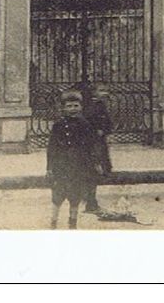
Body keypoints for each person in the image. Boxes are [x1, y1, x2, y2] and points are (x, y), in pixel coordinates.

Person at [46, 89, 101, 229]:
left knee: (75, 196)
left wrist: (96, 163)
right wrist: (50, 167)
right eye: (69, 106)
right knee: (58, 195)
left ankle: (73, 222)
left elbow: (91, 145)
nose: (72, 109)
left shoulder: (85, 125)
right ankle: (53, 221)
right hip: (61, 166)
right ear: (63, 108)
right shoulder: (58, 125)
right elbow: (52, 148)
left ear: (81, 107)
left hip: (79, 166)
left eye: (76, 105)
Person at [83, 84, 113, 213]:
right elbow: (86, 124)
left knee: (95, 172)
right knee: (93, 171)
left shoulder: (101, 106)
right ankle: (91, 202)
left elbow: (109, 124)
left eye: (106, 90)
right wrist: (98, 131)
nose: (105, 93)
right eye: (101, 90)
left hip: (99, 143)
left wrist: (104, 130)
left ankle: (90, 200)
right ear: (94, 93)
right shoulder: (92, 107)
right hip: (93, 144)